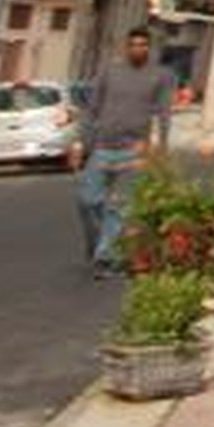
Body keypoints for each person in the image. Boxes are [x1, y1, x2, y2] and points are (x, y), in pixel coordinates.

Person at [74, 24, 174, 271]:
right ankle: (97, 242)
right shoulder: (110, 72)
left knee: (118, 207)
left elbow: (163, 113)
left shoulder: (160, 76)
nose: (137, 49)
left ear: (149, 48)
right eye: (133, 45)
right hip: (102, 147)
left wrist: (161, 147)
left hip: (135, 151)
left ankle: (105, 253)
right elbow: (92, 108)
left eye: (142, 45)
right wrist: (79, 142)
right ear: (126, 47)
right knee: (88, 201)